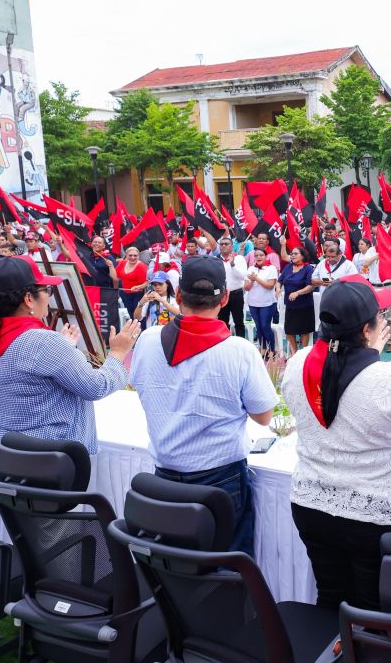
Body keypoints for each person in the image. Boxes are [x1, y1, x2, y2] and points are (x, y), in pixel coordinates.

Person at [281, 277, 391, 610]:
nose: (385, 320)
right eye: (381, 316)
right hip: (378, 518)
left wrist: (367, 355)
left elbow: (342, 381)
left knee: (332, 599)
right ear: (367, 330)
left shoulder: (298, 365)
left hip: (313, 506)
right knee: (379, 611)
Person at [128, 256, 278, 555]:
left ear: (178, 295)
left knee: (173, 560)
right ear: (224, 298)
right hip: (221, 478)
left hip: (165, 476)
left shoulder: (147, 340)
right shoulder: (239, 350)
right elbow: (264, 416)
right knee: (227, 565)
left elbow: (140, 385)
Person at [0, 256, 137, 450]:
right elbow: (96, 387)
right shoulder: (42, 342)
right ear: (28, 299)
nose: (49, 296)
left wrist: (62, 350)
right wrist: (117, 352)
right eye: (46, 290)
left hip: (6, 452)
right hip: (51, 458)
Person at [279, 246, 316, 352]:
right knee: (289, 331)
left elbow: (311, 286)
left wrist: (297, 293)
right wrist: (278, 289)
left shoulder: (308, 269)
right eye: (292, 254)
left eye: (295, 254)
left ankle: (303, 353)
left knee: (304, 330)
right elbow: (280, 280)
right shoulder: (288, 267)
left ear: (303, 256)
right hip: (290, 305)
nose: (292, 255)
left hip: (304, 305)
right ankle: (295, 352)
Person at [245, 248, 279, 353]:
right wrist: (251, 281)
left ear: (266, 256)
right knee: (258, 327)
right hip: (253, 302)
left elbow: (270, 286)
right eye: (256, 255)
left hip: (267, 303)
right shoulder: (251, 268)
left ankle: (272, 350)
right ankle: (263, 348)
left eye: (261, 255)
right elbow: (246, 287)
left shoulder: (271, 268)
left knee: (265, 326)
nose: (258, 257)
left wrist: (257, 279)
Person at [215, 237, 248, 338]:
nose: (223, 246)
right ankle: (224, 344)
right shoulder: (215, 260)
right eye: (222, 244)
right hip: (221, 294)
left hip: (236, 294)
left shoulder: (239, 259)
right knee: (223, 322)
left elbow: (243, 277)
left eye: (226, 244)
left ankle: (241, 345)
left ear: (232, 246)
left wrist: (232, 264)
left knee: (239, 321)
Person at [116, 245, 148, 317]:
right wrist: (111, 266)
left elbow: (147, 282)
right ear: (126, 255)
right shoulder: (122, 263)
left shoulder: (141, 267)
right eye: (130, 255)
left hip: (138, 294)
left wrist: (138, 286)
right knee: (130, 312)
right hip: (125, 292)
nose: (132, 257)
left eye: (135, 256)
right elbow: (116, 276)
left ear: (138, 256)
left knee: (137, 315)